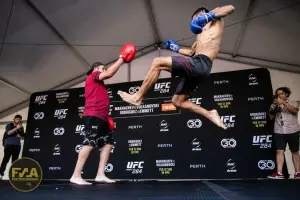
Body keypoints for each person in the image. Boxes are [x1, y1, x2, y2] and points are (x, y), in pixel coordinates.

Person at [117, 5, 235, 129]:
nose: (195, 23)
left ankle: (137, 97)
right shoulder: (200, 35)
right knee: (177, 101)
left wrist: (208, 15)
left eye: (195, 19)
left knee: (157, 62)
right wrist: (175, 48)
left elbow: (230, 8)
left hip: (202, 63)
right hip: (197, 65)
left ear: (201, 14)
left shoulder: (215, 19)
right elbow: (191, 53)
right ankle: (209, 114)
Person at [70, 44, 136, 185]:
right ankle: (75, 175)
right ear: (96, 69)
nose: (104, 71)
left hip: (102, 117)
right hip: (93, 115)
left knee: (108, 144)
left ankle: (100, 174)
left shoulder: (99, 84)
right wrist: (121, 58)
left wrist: (106, 117)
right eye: (102, 68)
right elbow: (109, 73)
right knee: (89, 143)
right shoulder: (93, 76)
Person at [268, 87, 300, 179]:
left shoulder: (293, 102)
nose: (279, 96)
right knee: (279, 151)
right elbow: (271, 117)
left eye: (281, 93)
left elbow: (295, 110)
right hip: (279, 130)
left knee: (294, 151)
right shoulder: (274, 104)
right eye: (277, 94)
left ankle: (298, 173)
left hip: (293, 130)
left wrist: (284, 103)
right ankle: (279, 173)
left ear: (286, 94)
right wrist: (273, 109)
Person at [0, 115, 24, 180]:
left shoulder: (21, 127)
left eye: (19, 119)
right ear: (14, 119)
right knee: (5, 159)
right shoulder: (9, 125)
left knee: (15, 161)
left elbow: (22, 137)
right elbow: (8, 133)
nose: (18, 120)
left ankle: (14, 176)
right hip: (9, 145)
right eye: (17, 119)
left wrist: (20, 136)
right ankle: (1, 173)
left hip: (17, 146)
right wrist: (16, 128)